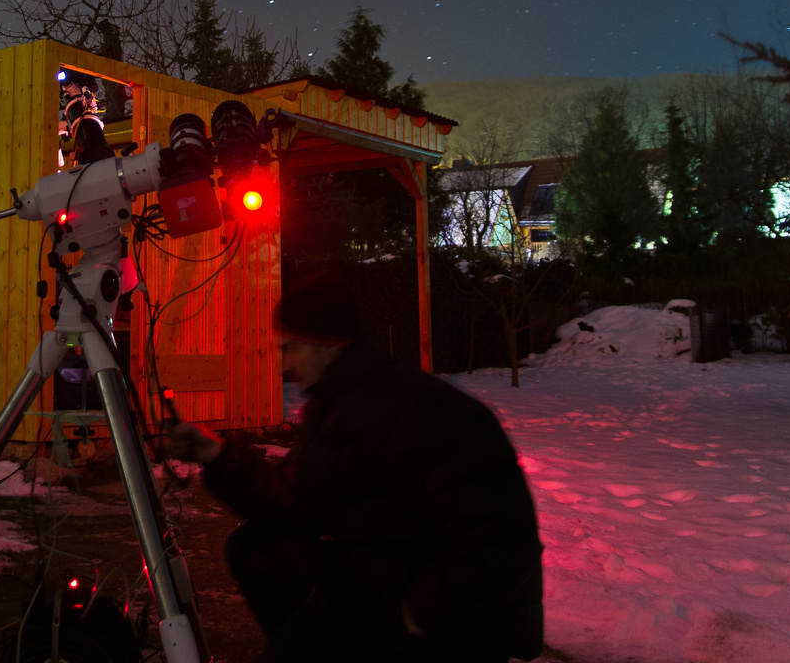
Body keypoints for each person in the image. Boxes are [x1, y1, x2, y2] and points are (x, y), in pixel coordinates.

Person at [167, 270, 544, 662]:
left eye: (291, 348)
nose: (283, 366)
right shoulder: (340, 405)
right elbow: (295, 502)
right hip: (378, 580)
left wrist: (420, 614)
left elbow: (501, 539)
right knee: (256, 549)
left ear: (327, 344)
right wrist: (218, 455)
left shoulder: (417, 410)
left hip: (442, 617)